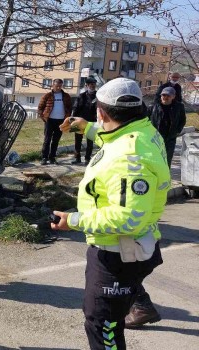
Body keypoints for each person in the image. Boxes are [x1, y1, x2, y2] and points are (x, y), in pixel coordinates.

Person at [52, 78, 169, 350]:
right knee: (107, 320)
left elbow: (128, 218)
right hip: (132, 247)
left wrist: (74, 221)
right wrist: (88, 128)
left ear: (102, 112)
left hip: (118, 252)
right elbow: (116, 135)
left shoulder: (129, 155)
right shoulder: (144, 131)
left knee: (103, 325)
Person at [147, 86, 187, 168]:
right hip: (154, 138)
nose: (165, 97)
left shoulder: (179, 107)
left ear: (173, 96)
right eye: (163, 95)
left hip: (170, 139)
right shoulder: (152, 106)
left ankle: (165, 179)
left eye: (168, 95)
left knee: (166, 161)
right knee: (152, 161)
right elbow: (145, 120)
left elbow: (182, 121)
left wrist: (176, 131)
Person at [37, 79, 72, 165]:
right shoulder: (47, 96)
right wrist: (44, 118)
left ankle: (52, 157)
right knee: (47, 139)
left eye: (60, 86)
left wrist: (67, 117)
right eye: (56, 86)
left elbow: (69, 107)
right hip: (49, 121)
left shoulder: (66, 96)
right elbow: (40, 108)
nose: (58, 88)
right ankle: (44, 157)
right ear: (53, 85)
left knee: (56, 140)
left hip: (61, 121)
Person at [71, 77, 97, 165]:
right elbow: (75, 108)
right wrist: (73, 120)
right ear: (87, 85)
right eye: (91, 85)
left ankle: (87, 159)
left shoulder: (98, 96)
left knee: (90, 141)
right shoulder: (81, 96)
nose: (92, 86)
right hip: (79, 121)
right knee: (77, 141)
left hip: (92, 122)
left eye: (94, 84)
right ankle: (77, 158)